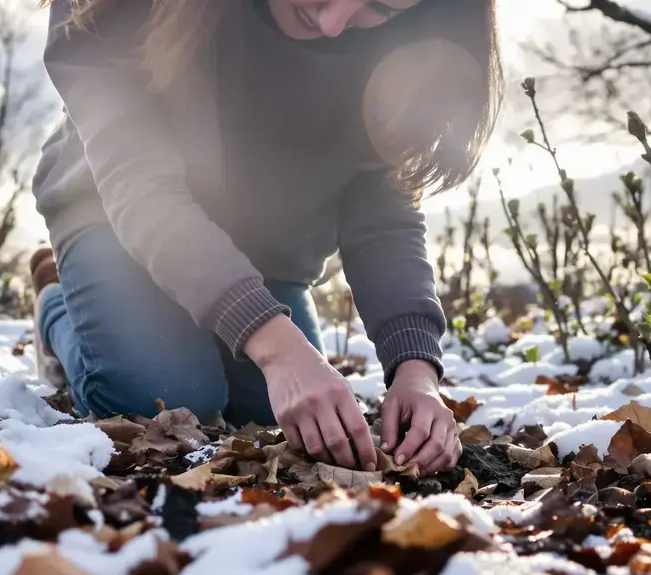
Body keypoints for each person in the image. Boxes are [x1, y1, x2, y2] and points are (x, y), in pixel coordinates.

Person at [30, 0, 503, 476]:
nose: (332, 23)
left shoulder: (400, 51)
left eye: (379, 8)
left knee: (269, 414)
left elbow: (382, 222)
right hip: (117, 225)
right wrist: (279, 350)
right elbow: (141, 189)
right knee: (167, 403)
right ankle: (57, 306)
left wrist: (415, 369)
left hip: (265, 255)